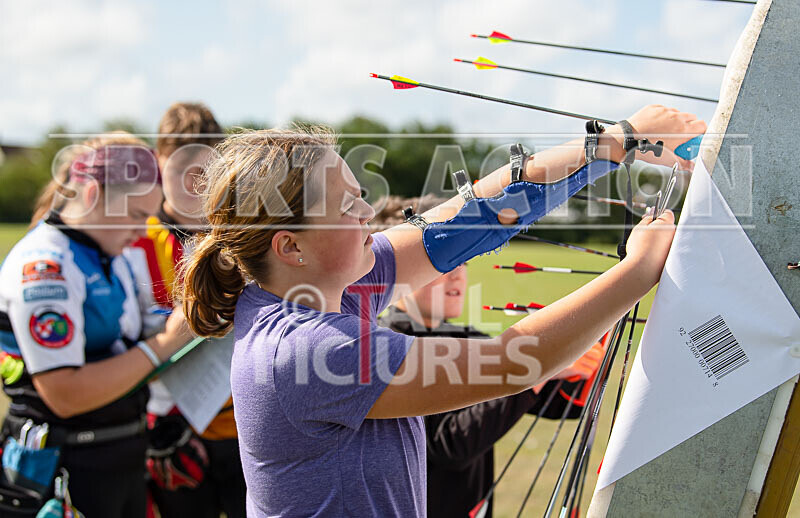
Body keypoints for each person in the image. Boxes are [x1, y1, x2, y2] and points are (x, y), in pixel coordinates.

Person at [181, 105, 704, 516]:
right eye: (346, 207)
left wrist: (613, 142)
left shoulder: (316, 282)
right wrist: (637, 271)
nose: (368, 212)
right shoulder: (304, 349)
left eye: (359, 195)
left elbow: (474, 219)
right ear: (290, 247)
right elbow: (513, 362)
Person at [371, 196, 602, 518]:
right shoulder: (386, 347)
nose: (456, 274)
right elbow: (450, 443)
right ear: (395, 271)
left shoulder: (467, 338)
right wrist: (536, 368)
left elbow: (559, 404)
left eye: (462, 260)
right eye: (441, 262)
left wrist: (584, 345)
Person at [0, 133, 194, 517]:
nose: (143, 232)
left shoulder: (108, 251)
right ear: (91, 195)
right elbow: (64, 393)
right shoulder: (44, 267)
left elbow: (129, 341)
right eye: (138, 215)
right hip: (64, 467)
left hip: (118, 458)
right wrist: (165, 344)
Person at [128, 101, 247, 518]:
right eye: (181, 170)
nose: (195, 183)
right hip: (169, 424)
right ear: (160, 162)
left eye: (206, 170)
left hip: (240, 422)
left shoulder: (237, 234)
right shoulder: (135, 239)